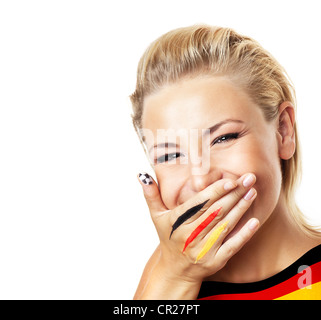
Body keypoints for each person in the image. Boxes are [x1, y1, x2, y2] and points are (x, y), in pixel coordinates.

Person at [130, 24, 321, 300]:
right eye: (170, 155)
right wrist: (175, 276)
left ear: (283, 130)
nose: (200, 180)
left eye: (224, 138)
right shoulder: (164, 276)